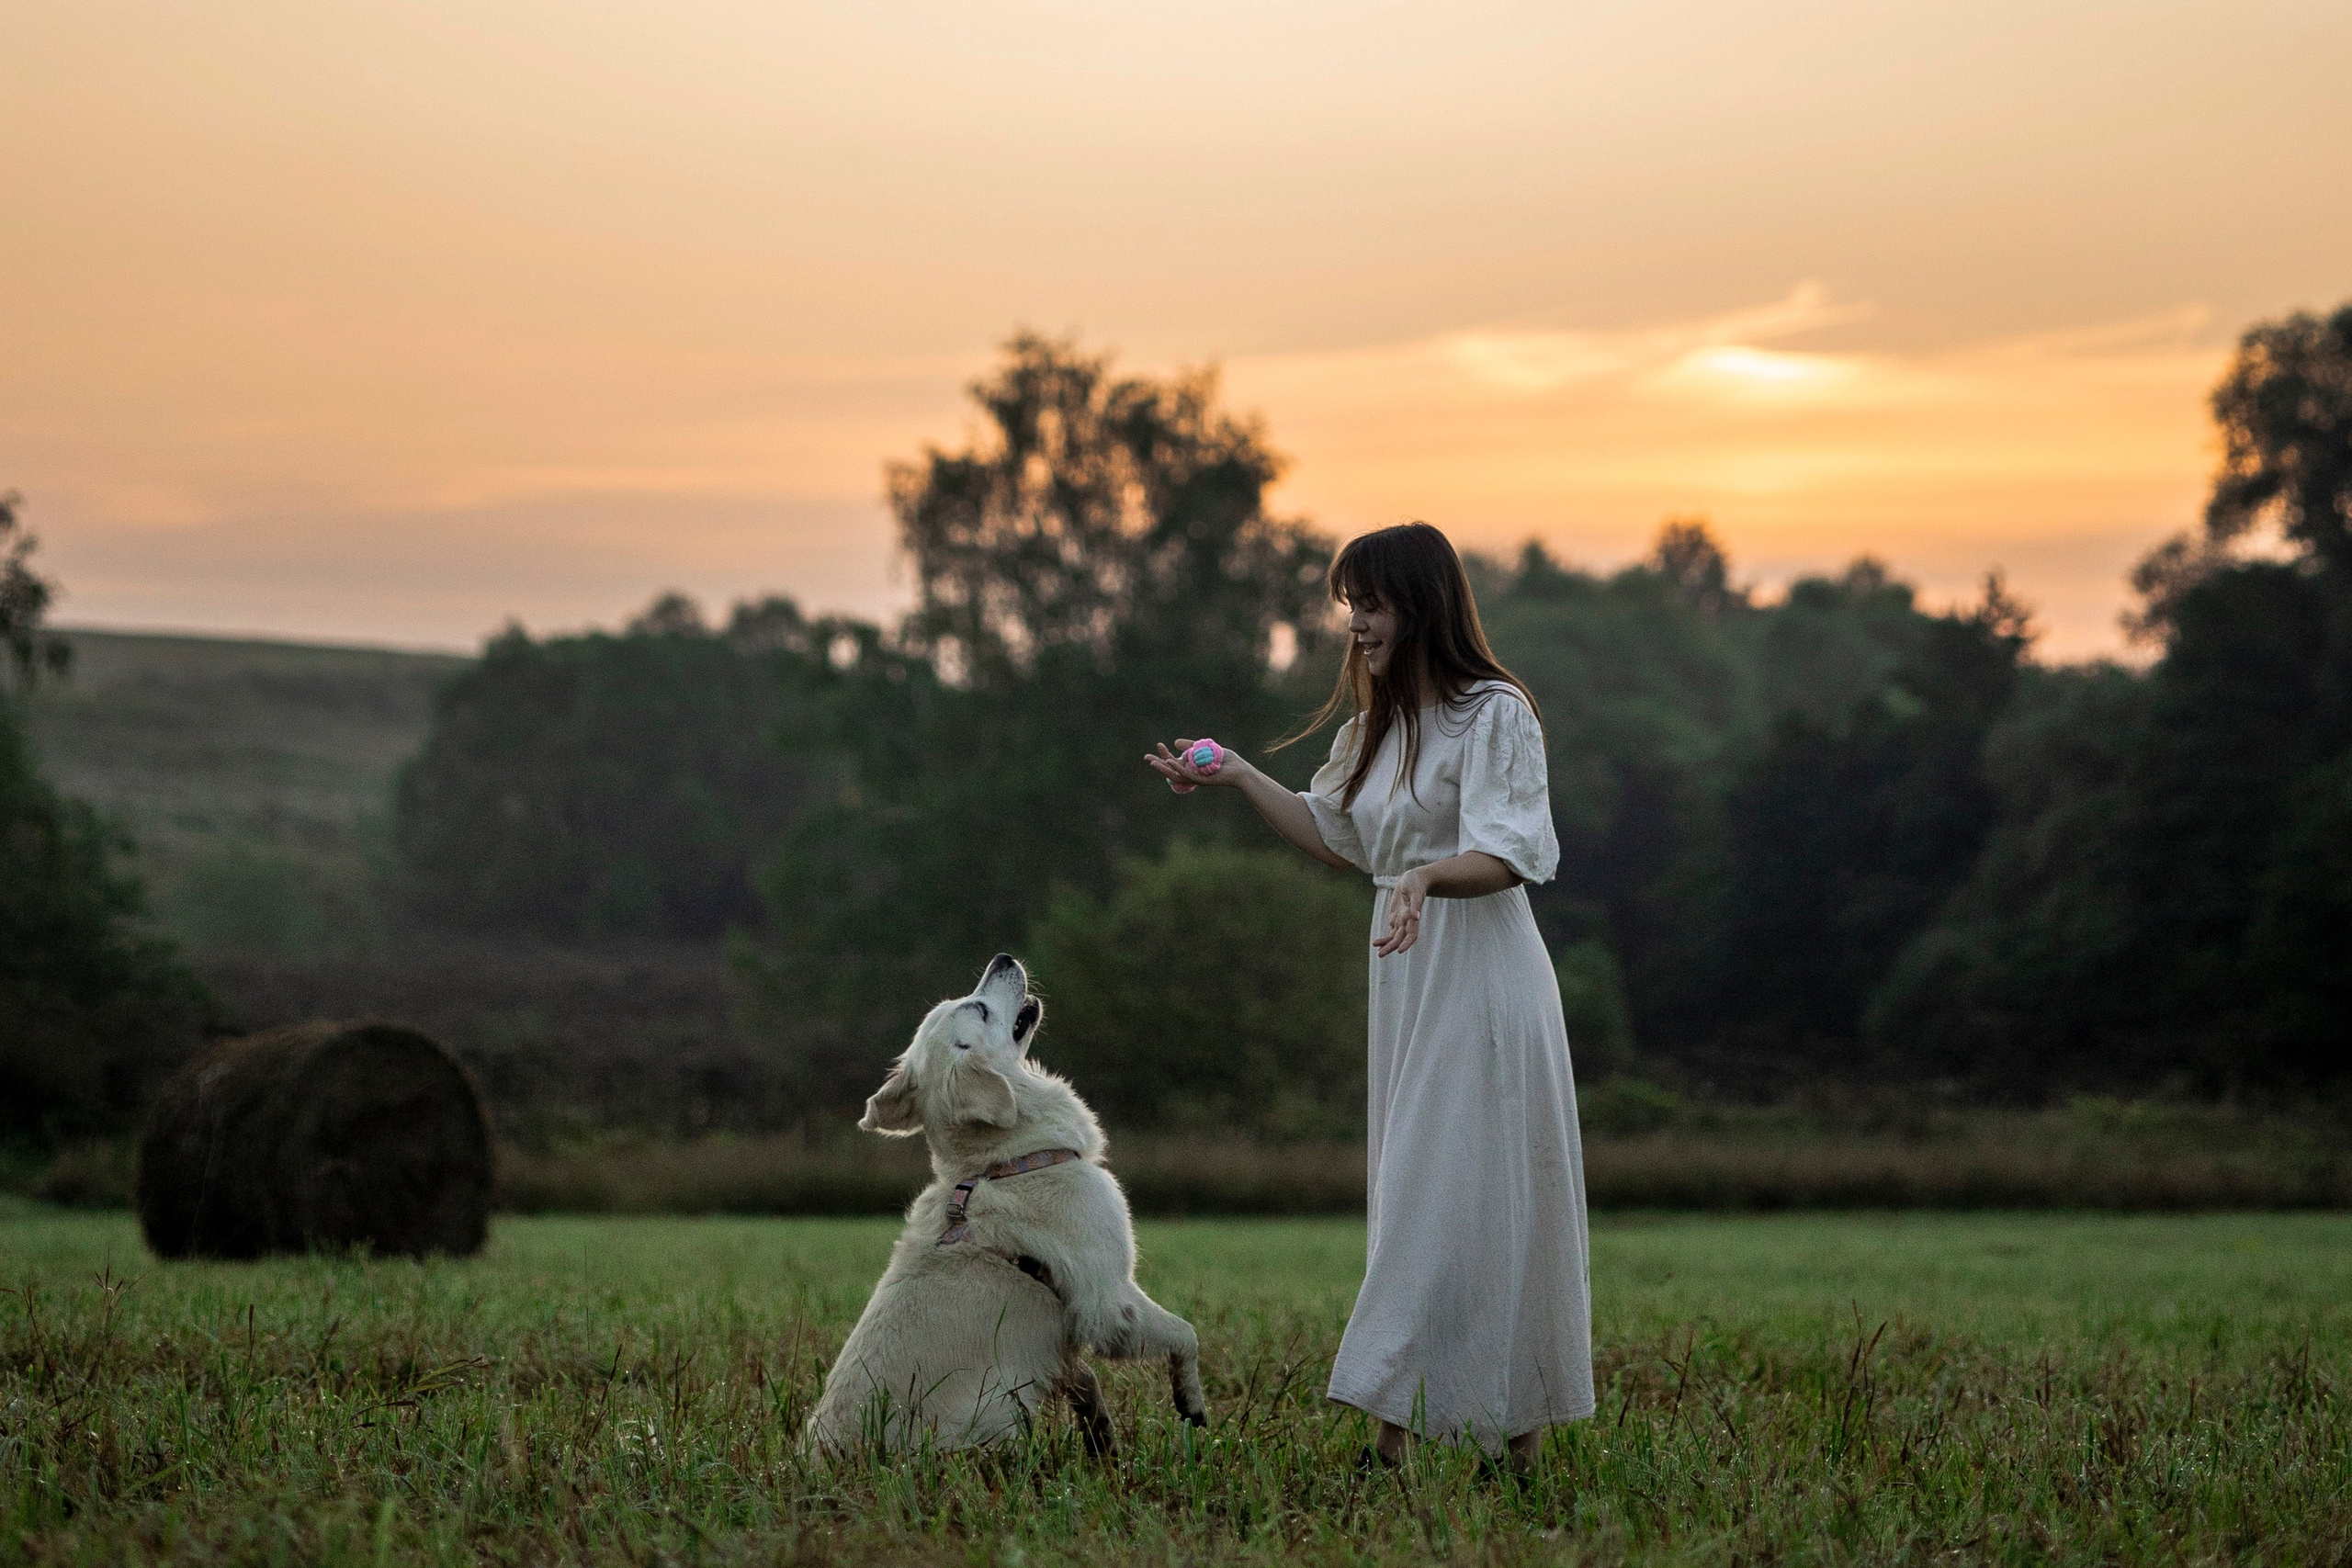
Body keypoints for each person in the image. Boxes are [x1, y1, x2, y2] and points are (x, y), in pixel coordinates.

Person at [1145, 521, 1594, 1470]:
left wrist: (1426, 880)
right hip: (1408, 977)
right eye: (1350, 606)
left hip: (1483, 977)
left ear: (1423, 606)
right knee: (1428, 1195)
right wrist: (1228, 773)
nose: (1356, 625)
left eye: (1374, 604)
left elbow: (1511, 853)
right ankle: (1511, 1453)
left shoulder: (1495, 713)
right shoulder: (1376, 730)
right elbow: (1329, 832)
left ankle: (1392, 1444)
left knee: (1458, 1192)